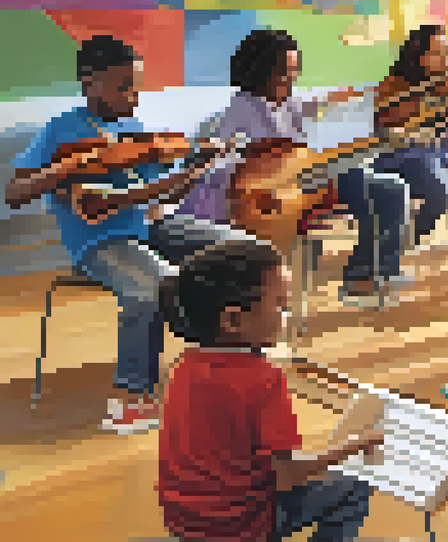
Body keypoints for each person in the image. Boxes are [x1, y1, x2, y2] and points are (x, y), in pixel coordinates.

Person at [5, 35, 248, 433]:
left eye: (135, 84)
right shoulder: (63, 129)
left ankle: (227, 364)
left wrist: (197, 168)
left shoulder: (135, 131)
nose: (133, 94)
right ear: (89, 84)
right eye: (123, 85)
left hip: (150, 225)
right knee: (152, 287)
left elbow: (163, 194)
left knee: (243, 250)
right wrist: (69, 168)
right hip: (102, 239)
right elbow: (15, 192)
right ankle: (129, 398)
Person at [157, 238, 381, 541]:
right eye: (280, 305)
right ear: (233, 320)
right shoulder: (263, 380)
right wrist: (355, 445)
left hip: (182, 519)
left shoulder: (184, 365)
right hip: (238, 525)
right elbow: (287, 476)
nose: (285, 316)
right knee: (353, 488)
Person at [176, 28, 412, 306]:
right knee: (380, 188)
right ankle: (362, 277)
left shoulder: (288, 102)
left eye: (294, 69)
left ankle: (375, 270)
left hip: (305, 179)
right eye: (284, 71)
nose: (291, 77)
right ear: (260, 71)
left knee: (384, 186)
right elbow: (230, 167)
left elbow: (319, 108)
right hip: (278, 195)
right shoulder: (239, 111)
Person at [371, 25, 448, 262]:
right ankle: (407, 238)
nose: (447, 59)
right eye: (439, 53)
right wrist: (424, 110)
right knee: (440, 192)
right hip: (402, 155)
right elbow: (384, 128)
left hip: (437, 153)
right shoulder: (393, 85)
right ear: (419, 57)